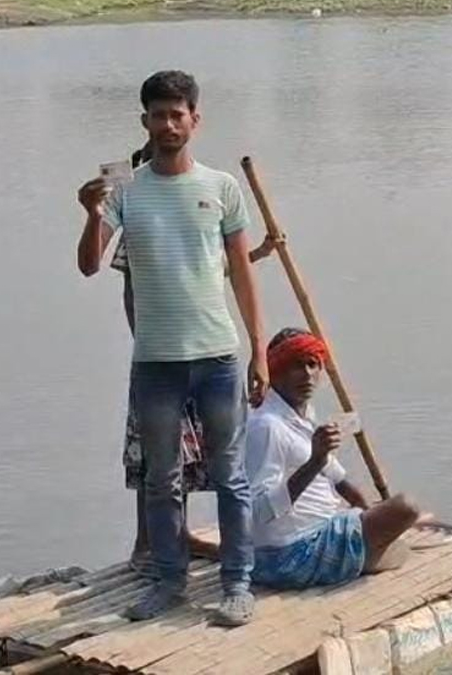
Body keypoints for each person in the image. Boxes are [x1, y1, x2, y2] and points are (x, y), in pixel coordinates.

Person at [76, 70, 267, 626]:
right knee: (162, 478)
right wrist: (90, 213)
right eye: (157, 116)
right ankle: (169, 581)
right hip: (156, 360)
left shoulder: (222, 187)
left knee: (230, 475)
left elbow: (241, 274)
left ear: (194, 120)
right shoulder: (126, 191)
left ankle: (237, 584)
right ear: (145, 122)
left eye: (176, 115)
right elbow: (90, 264)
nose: (167, 125)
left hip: (217, 356)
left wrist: (259, 350)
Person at [111, 142, 283, 575]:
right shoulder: (132, 213)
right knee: (158, 463)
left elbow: (208, 267)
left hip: (203, 350)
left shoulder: (210, 194)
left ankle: (199, 552)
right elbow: (134, 280)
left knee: (206, 461)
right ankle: (149, 547)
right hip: (158, 355)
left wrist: (258, 253)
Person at [245, 328, 421, 590]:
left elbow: (337, 476)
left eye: (312, 364)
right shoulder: (267, 426)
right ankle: (365, 558)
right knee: (407, 508)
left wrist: (365, 509)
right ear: (274, 372)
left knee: (392, 516)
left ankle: (364, 554)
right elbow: (256, 513)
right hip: (287, 554)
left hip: (318, 529)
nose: (306, 374)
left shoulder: (301, 415)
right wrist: (314, 462)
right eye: (295, 366)